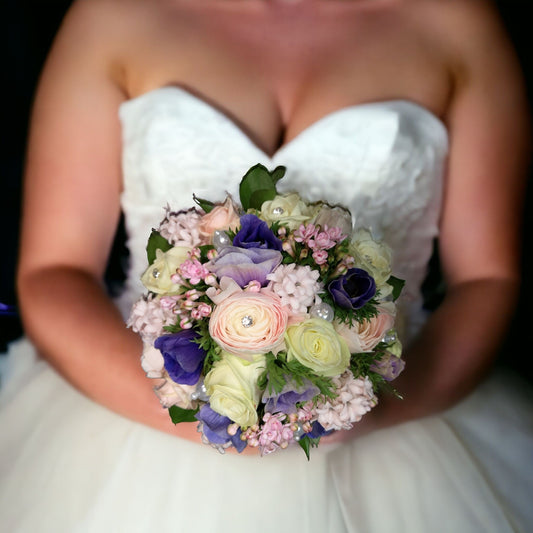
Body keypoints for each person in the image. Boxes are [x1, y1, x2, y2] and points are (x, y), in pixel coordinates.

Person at [1, 0, 532, 531]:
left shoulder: (454, 22)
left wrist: (355, 408)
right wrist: (211, 419)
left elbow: (488, 279)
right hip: (132, 422)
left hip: (401, 425)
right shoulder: (112, 16)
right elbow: (54, 272)